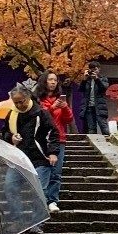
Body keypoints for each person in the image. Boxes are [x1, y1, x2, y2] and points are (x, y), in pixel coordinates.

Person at [1, 84, 60, 222]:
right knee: (10, 187)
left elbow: (53, 132)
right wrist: (11, 137)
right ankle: (18, 220)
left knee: (38, 191)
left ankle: (37, 222)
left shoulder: (41, 113)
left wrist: (53, 152)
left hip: (40, 157)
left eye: (22, 101)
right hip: (19, 157)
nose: (19, 105)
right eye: (16, 102)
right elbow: (4, 132)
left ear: (28, 97)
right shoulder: (11, 114)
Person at [37, 71, 73, 212]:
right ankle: (42, 199)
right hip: (42, 138)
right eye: (50, 79)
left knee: (56, 171)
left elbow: (68, 120)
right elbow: (40, 116)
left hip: (59, 137)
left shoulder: (60, 99)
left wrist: (65, 108)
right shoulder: (38, 99)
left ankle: (53, 200)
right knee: (42, 171)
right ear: (44, 81)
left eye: (55, 80)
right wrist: (52, 108)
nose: (53, 82)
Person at [80, 59, 110, 135]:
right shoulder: (87, 80)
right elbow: (80, 89)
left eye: (95, 69)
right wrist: (84, 79)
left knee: (104, 127)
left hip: (99, 107)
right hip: (89, 106)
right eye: (92, 70)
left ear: (99, 69)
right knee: (91, 129)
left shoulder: (103, 78)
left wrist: (97, 79)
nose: (93, 71)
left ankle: (109, 143)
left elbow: (103, 88)